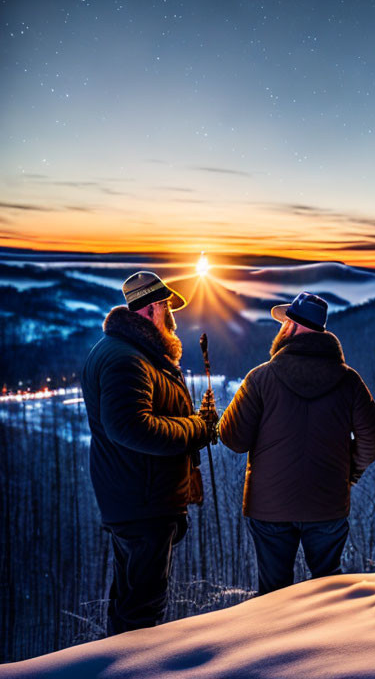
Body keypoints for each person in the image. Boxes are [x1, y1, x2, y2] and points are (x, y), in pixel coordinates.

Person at [220, 291, 375, 594]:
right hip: (328, 504)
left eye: (283, 323)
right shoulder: (350, 381)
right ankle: (329, 641)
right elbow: (373, 440)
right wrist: (350, 472)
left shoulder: (259, 378)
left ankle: (273, 640)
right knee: (327, 587)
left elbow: (233, 438)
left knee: (273, 591)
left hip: (269, 508)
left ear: (291, 327)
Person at [81, 271, 218, 635]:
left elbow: (148, 415)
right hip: (143, 502)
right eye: (167, 308)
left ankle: (118, 663)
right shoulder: (128, 359)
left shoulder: (131, 351)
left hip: (137, 498)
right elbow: (130, 427)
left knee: (129, 602)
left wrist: (190, 419)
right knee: (142, 612)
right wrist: (198, 429)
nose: (172, 318)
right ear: (152, 308)